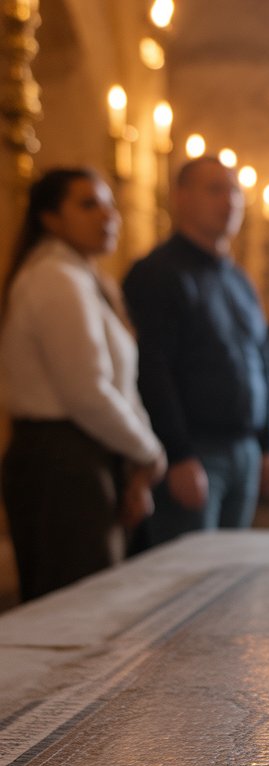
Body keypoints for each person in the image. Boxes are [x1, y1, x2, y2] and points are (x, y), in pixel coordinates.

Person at [0, 168, 165, 601]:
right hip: (62, 460)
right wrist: (147, 450)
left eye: (109, 203)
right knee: (75, 613)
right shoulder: (55, 277)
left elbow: (121, 383)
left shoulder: (81, 276)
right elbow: (86, 391)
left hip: (85, 453)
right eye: (88, 204)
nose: (108, 215)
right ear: (50, 218)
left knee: (94, 607)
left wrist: (137, 458)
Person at [122, 156, 269, 545]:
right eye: (215, 189)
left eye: (235, 192)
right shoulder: (159, 272)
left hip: (244, 450)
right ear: (181, 198)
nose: (229, 201)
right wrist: (178, 455)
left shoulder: (240, 280)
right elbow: (153, 369)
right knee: (186, 586)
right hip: (195, 451)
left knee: (230, 580)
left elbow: (262, 364)